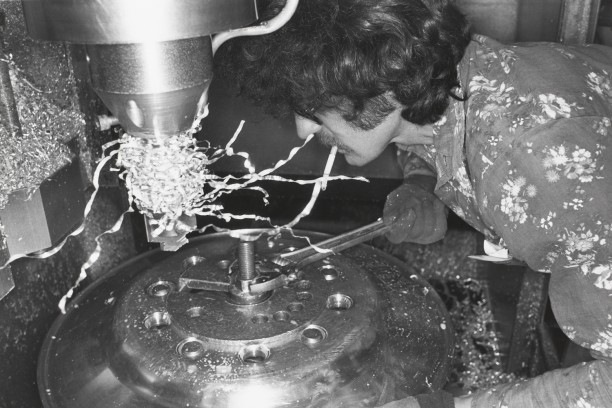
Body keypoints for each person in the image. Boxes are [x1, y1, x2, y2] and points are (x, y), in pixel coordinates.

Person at [215, 0, 612, 407]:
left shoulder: (534, 159)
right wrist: (423, 182)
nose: (302, 129)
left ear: (388, 81)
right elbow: (409, 121)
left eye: (315, 105)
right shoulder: (443, 78)